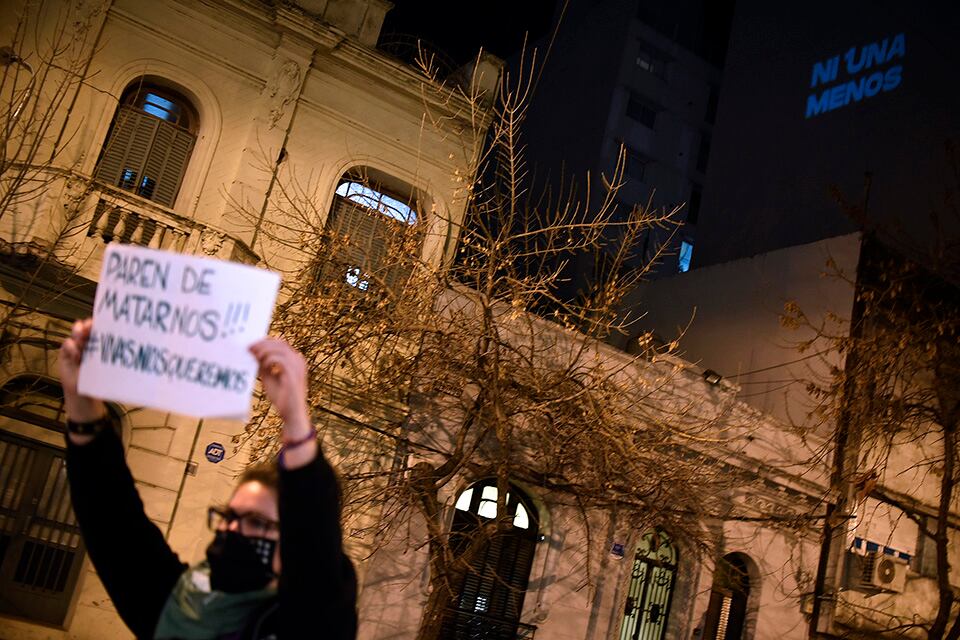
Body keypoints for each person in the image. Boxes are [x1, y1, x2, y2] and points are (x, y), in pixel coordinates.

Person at [58, 318, 357, 640]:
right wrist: (81, 403)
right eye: (230, 516)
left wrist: (296, 424)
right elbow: (114, 525)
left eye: (257, 522)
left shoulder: (312, 625)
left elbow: (316, 560)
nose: (232, 529)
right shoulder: (179, 608)